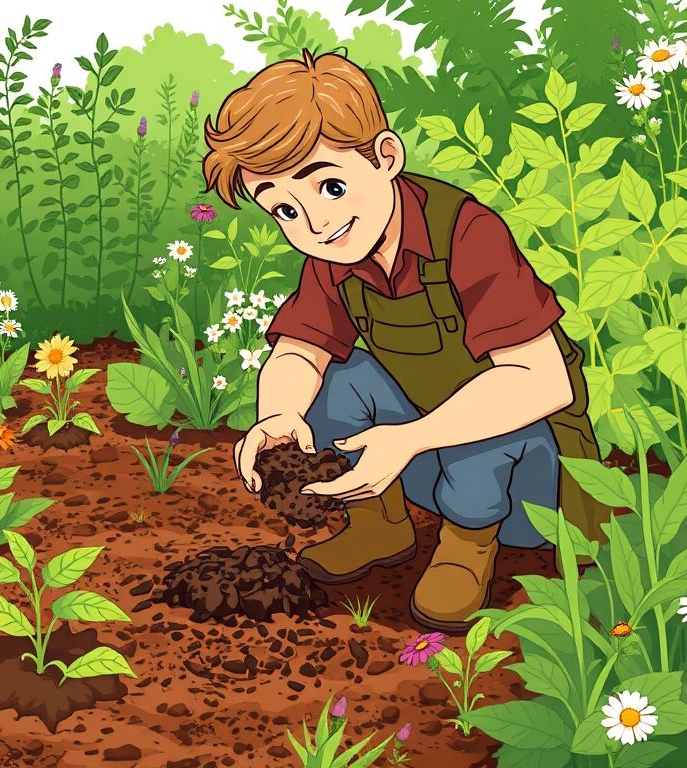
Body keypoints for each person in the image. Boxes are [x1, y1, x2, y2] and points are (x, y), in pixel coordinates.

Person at [202, 50, 608, 630]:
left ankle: (468, 548)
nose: (315, 224)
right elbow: (299, 349)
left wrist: (410, 438)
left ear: (386, 157)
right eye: (287, 210)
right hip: (422, 458)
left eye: (331, 188)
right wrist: (278, 416)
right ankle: (378, 524)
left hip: (536, 488)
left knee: (489, 405)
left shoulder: (467, 232)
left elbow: (540, 381)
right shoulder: (337, 255)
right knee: (336, 380)